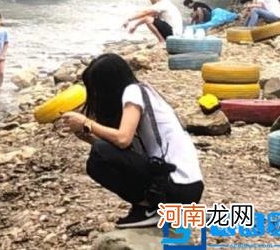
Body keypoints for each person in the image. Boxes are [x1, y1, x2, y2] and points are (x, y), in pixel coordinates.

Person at [61, 54, 204, 228]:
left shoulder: (134, 91)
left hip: (177, 188)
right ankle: (150, 207)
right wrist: (88, 137)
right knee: (97, 157)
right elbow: (126, 152)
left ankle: (153, 208)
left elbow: (122, 139)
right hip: (186, 190)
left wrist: (87, 123)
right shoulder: (144, 96)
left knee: (98, 157)